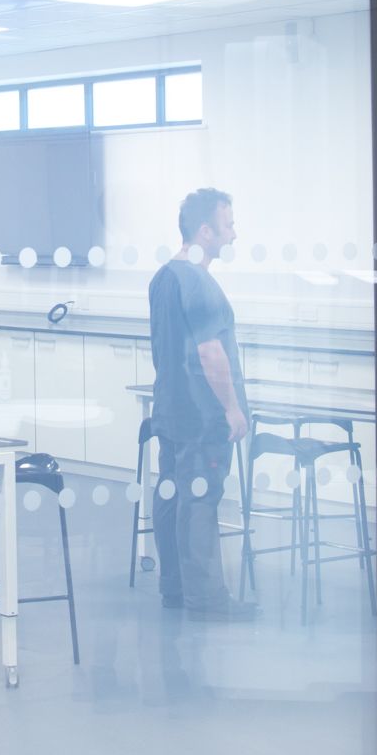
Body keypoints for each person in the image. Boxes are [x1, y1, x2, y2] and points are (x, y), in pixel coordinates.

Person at [145, 186, 247, 617]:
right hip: (202, 416)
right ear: (205, 231)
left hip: (169, 410)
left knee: (171, 495)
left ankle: (174, 588)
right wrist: (232, 407)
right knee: (200, 500)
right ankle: (207, 600)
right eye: (228, 226)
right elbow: (210, 352)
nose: (234, 235)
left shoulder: (163, 276)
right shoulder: (199, 282)